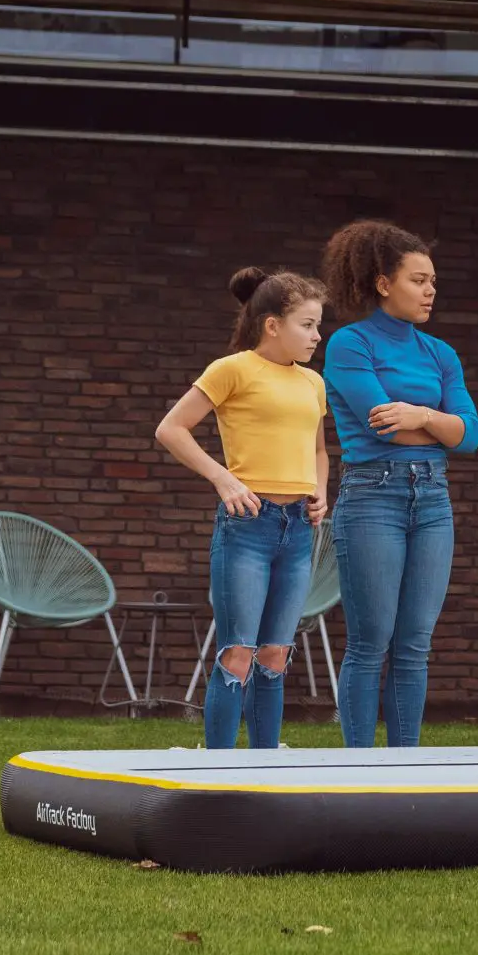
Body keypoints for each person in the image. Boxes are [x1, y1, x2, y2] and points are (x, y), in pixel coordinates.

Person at [320, 220, 478, 748]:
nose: (430, 290)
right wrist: (438, 422)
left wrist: (420, 416)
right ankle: (358, 770)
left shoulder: (441, 353)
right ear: (384, 283)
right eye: (418, 280)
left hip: (433, 500)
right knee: (370, 643)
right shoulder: (349, 343)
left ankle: (404, 769)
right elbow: (381, 423)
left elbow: (471, 434)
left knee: (414, 644)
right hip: (372, 498)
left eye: (433, 280)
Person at [155, 269, 329, 750]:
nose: (317, 336)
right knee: (238, 653)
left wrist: (321, 489)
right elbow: (171, 429)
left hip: (297, 530)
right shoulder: (231, 369)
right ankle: (217, 766)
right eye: (308, 325)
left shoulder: (313, 383)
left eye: (318, 326)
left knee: (275, 653)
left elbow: (318, 449)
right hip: (247, 529)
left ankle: (265, 763)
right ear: (273, 325)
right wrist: (223, 478)